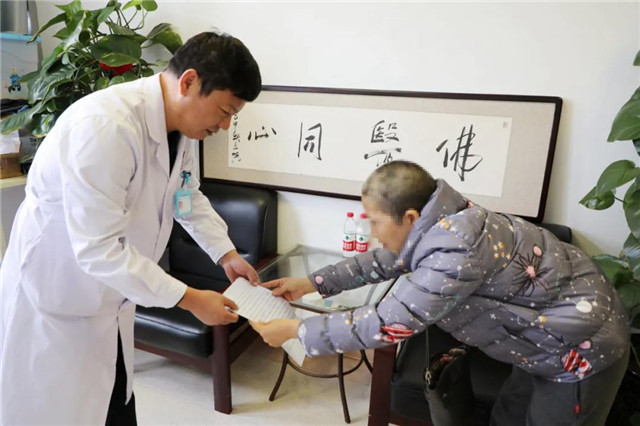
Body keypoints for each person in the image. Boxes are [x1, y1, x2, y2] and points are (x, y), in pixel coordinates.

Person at [0, 32, 262, 425]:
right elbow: (99, 249)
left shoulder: (180, 130)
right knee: (58, 410)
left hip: (109, 302)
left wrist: (226, 254)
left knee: (114, 401)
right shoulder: (105, 127)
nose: (225, 125)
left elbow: (185, 196)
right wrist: (190, 298)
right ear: (189, 81)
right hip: (59, 299)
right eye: (224, 111)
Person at [251, 160, 630, 426]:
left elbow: (388, 323)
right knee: (508, 418)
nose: (374, 234)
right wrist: (314, 283)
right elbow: (384, 259)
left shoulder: (456, 251)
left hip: (579, 351)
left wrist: (298, 331)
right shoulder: (445, 221)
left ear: (410, 217)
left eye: (377, 223)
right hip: (543, 341)